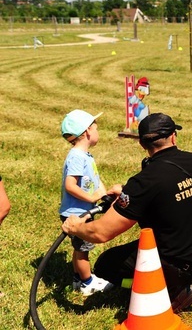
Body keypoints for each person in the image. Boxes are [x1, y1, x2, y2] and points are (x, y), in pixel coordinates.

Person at [62, 113, 192, 313]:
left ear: (142, 144)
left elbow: (100, 233)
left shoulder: (145, 181)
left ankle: (167, 290)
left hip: (181, 263)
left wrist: (75, 227)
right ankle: (171, 281)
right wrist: (128, 193)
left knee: (106, 266)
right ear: (173, 136)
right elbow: (167, 193)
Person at [59, 109, 114, 296]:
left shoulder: (85, 156)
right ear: (87, 132)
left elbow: (95, 180)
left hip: (83, 211)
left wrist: (105, 194)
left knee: (79, 248)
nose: (98, 133)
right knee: (83, 250)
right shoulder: (76, 156)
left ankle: (77, 278)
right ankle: (87, 282)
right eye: (96, 128)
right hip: (77, 213)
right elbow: (70, 185)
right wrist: (92, 198)